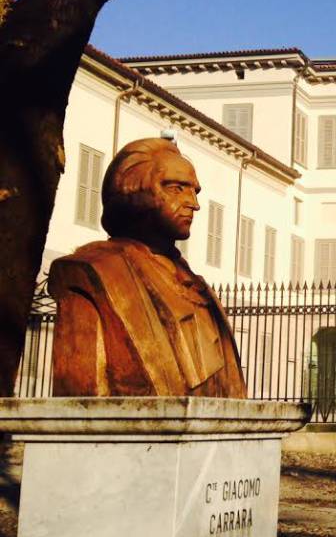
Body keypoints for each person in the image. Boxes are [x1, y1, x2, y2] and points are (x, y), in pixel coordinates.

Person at [48, 137, 246, 397]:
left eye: (194, 192)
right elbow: (82, 405)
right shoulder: (94, 272)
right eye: (177, 188)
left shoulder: (201, 290)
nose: (194, 204)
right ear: (134, 192)